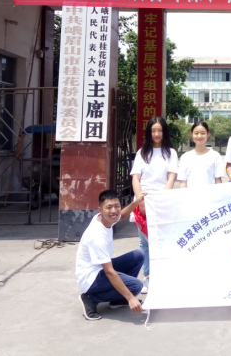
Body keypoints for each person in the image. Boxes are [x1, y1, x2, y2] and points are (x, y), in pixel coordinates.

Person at [76, 189, 147, 321]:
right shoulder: (96, 235)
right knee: (136, 286)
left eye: (117, 206)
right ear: (100, 210)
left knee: (139, 255)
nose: (114, 211)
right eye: (109, 207)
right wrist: (130, 297)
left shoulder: (106, 219)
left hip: (99, 268)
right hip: (90, 278)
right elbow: (109, 272)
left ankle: (118, 299)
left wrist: (136, 202)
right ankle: (90, 298)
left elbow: (122, 215)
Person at [130, 116, 178, 294]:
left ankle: (164, 275)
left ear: (164, 132)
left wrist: (162, 199)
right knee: (145, 242)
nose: (156, 134)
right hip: (143, 201)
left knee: (163, 240)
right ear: (149, 132)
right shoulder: (142, 153)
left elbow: (171, 177)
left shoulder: (170, 153)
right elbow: (136, 178)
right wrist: (140, 200)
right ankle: (148, 276)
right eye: (153, 130)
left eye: (160, 130)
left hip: (163, 201)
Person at [177, 121, 225, 188]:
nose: (199, 136)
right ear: (192, 134)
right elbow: (183, 183)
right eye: (196, 133)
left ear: (208, 134)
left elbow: (218, 181)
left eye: (203, 133)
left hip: (210, 194)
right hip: (191, 195)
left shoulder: (215, 156)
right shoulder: (185, 157)